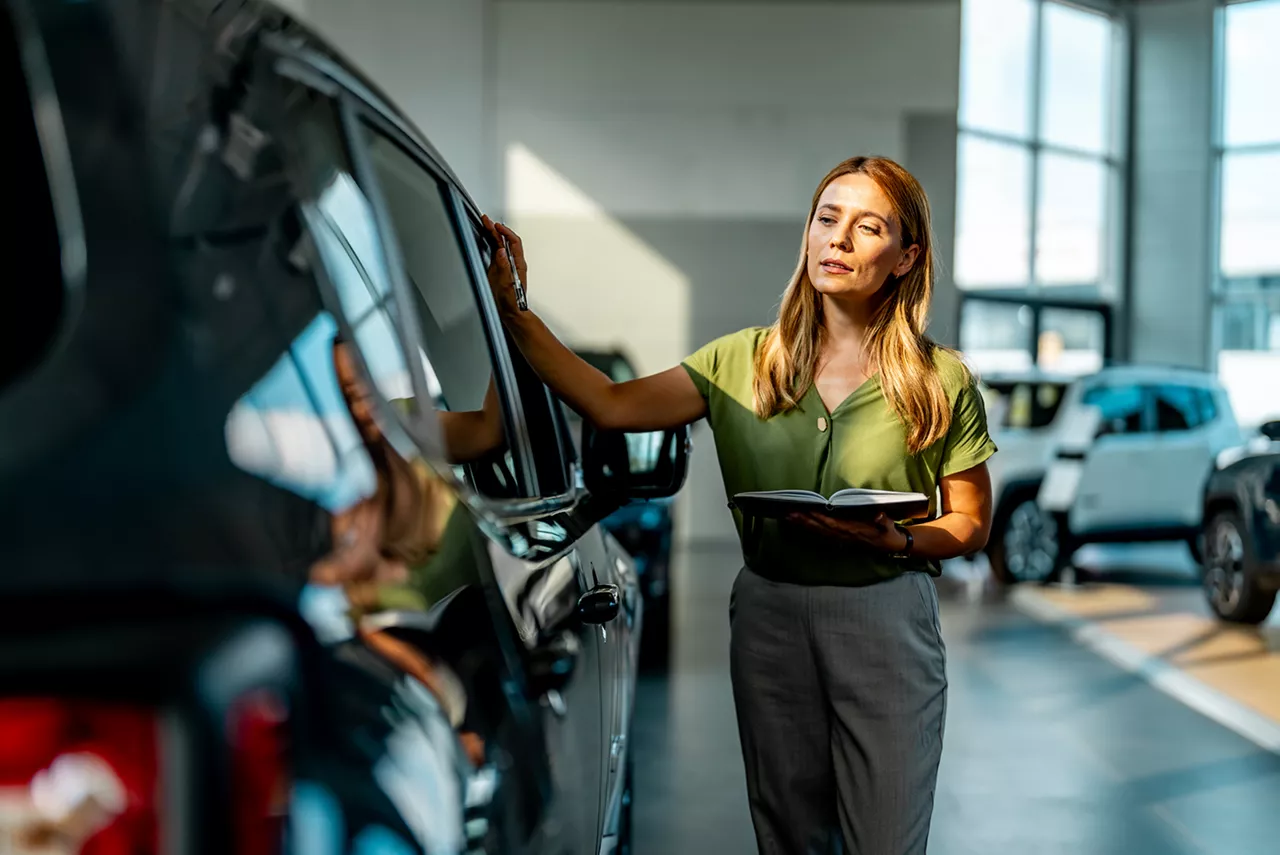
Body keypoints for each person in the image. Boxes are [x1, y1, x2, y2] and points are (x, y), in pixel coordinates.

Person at [482, 155, 997, 855]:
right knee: (787, 837)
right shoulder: (741, 362)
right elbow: (609, 401)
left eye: (867, 227)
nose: (838, 239)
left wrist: (899, 543)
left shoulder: (941, 379)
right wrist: (514, 312)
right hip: (769, 614)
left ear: (906, 257)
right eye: (827, 218)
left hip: (886, 615)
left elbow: (969, 519)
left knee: (887, 841)